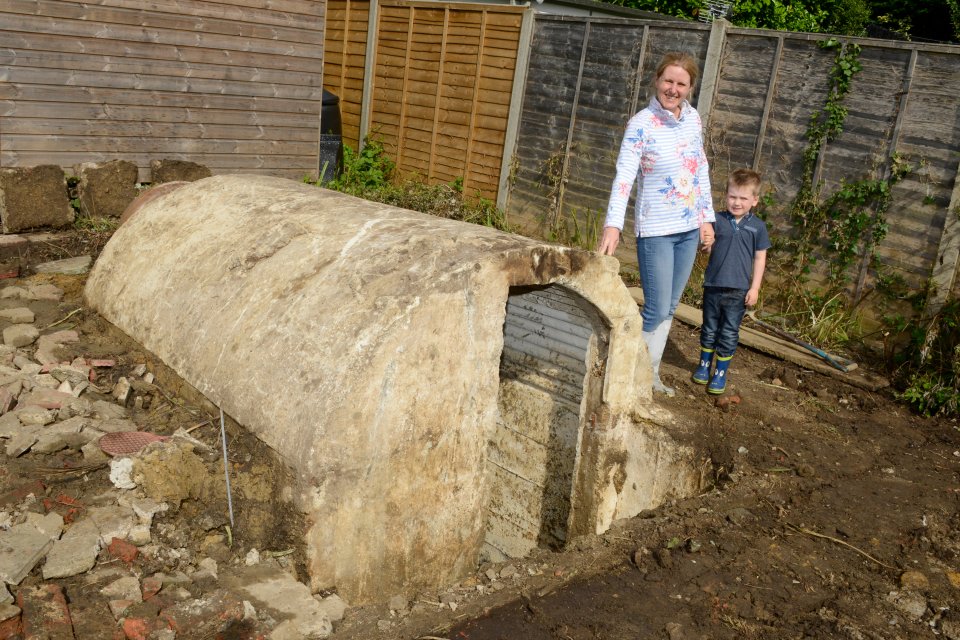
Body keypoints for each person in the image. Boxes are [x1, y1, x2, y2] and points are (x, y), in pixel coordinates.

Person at [598, 51, 716, 396]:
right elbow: (624, 178)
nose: (673, 89)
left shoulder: (693, 120)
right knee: (654, 308)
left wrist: (706, 219)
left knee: (669, 307)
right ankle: (633, 378)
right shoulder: (641, 125)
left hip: (688, 230)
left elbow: (701, 172)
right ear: (657, 81)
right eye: (668, 81)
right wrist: (613, 225)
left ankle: (650, 375)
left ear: (690, 87)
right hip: (656, 232)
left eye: (681, 83)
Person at [692, 168, 770, 394]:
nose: (737, 202)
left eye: (743, 198)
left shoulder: (758, 227)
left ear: (754, 201)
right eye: (732, 196)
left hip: (738, 290)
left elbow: (760, 258)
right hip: (713, 285)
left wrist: (754, 288)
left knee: (728, 331)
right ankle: (704, 364)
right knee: (709, 327)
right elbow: (706, 249)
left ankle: (721, 371)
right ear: (726, 195)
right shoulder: (716, 220)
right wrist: (706, 245)